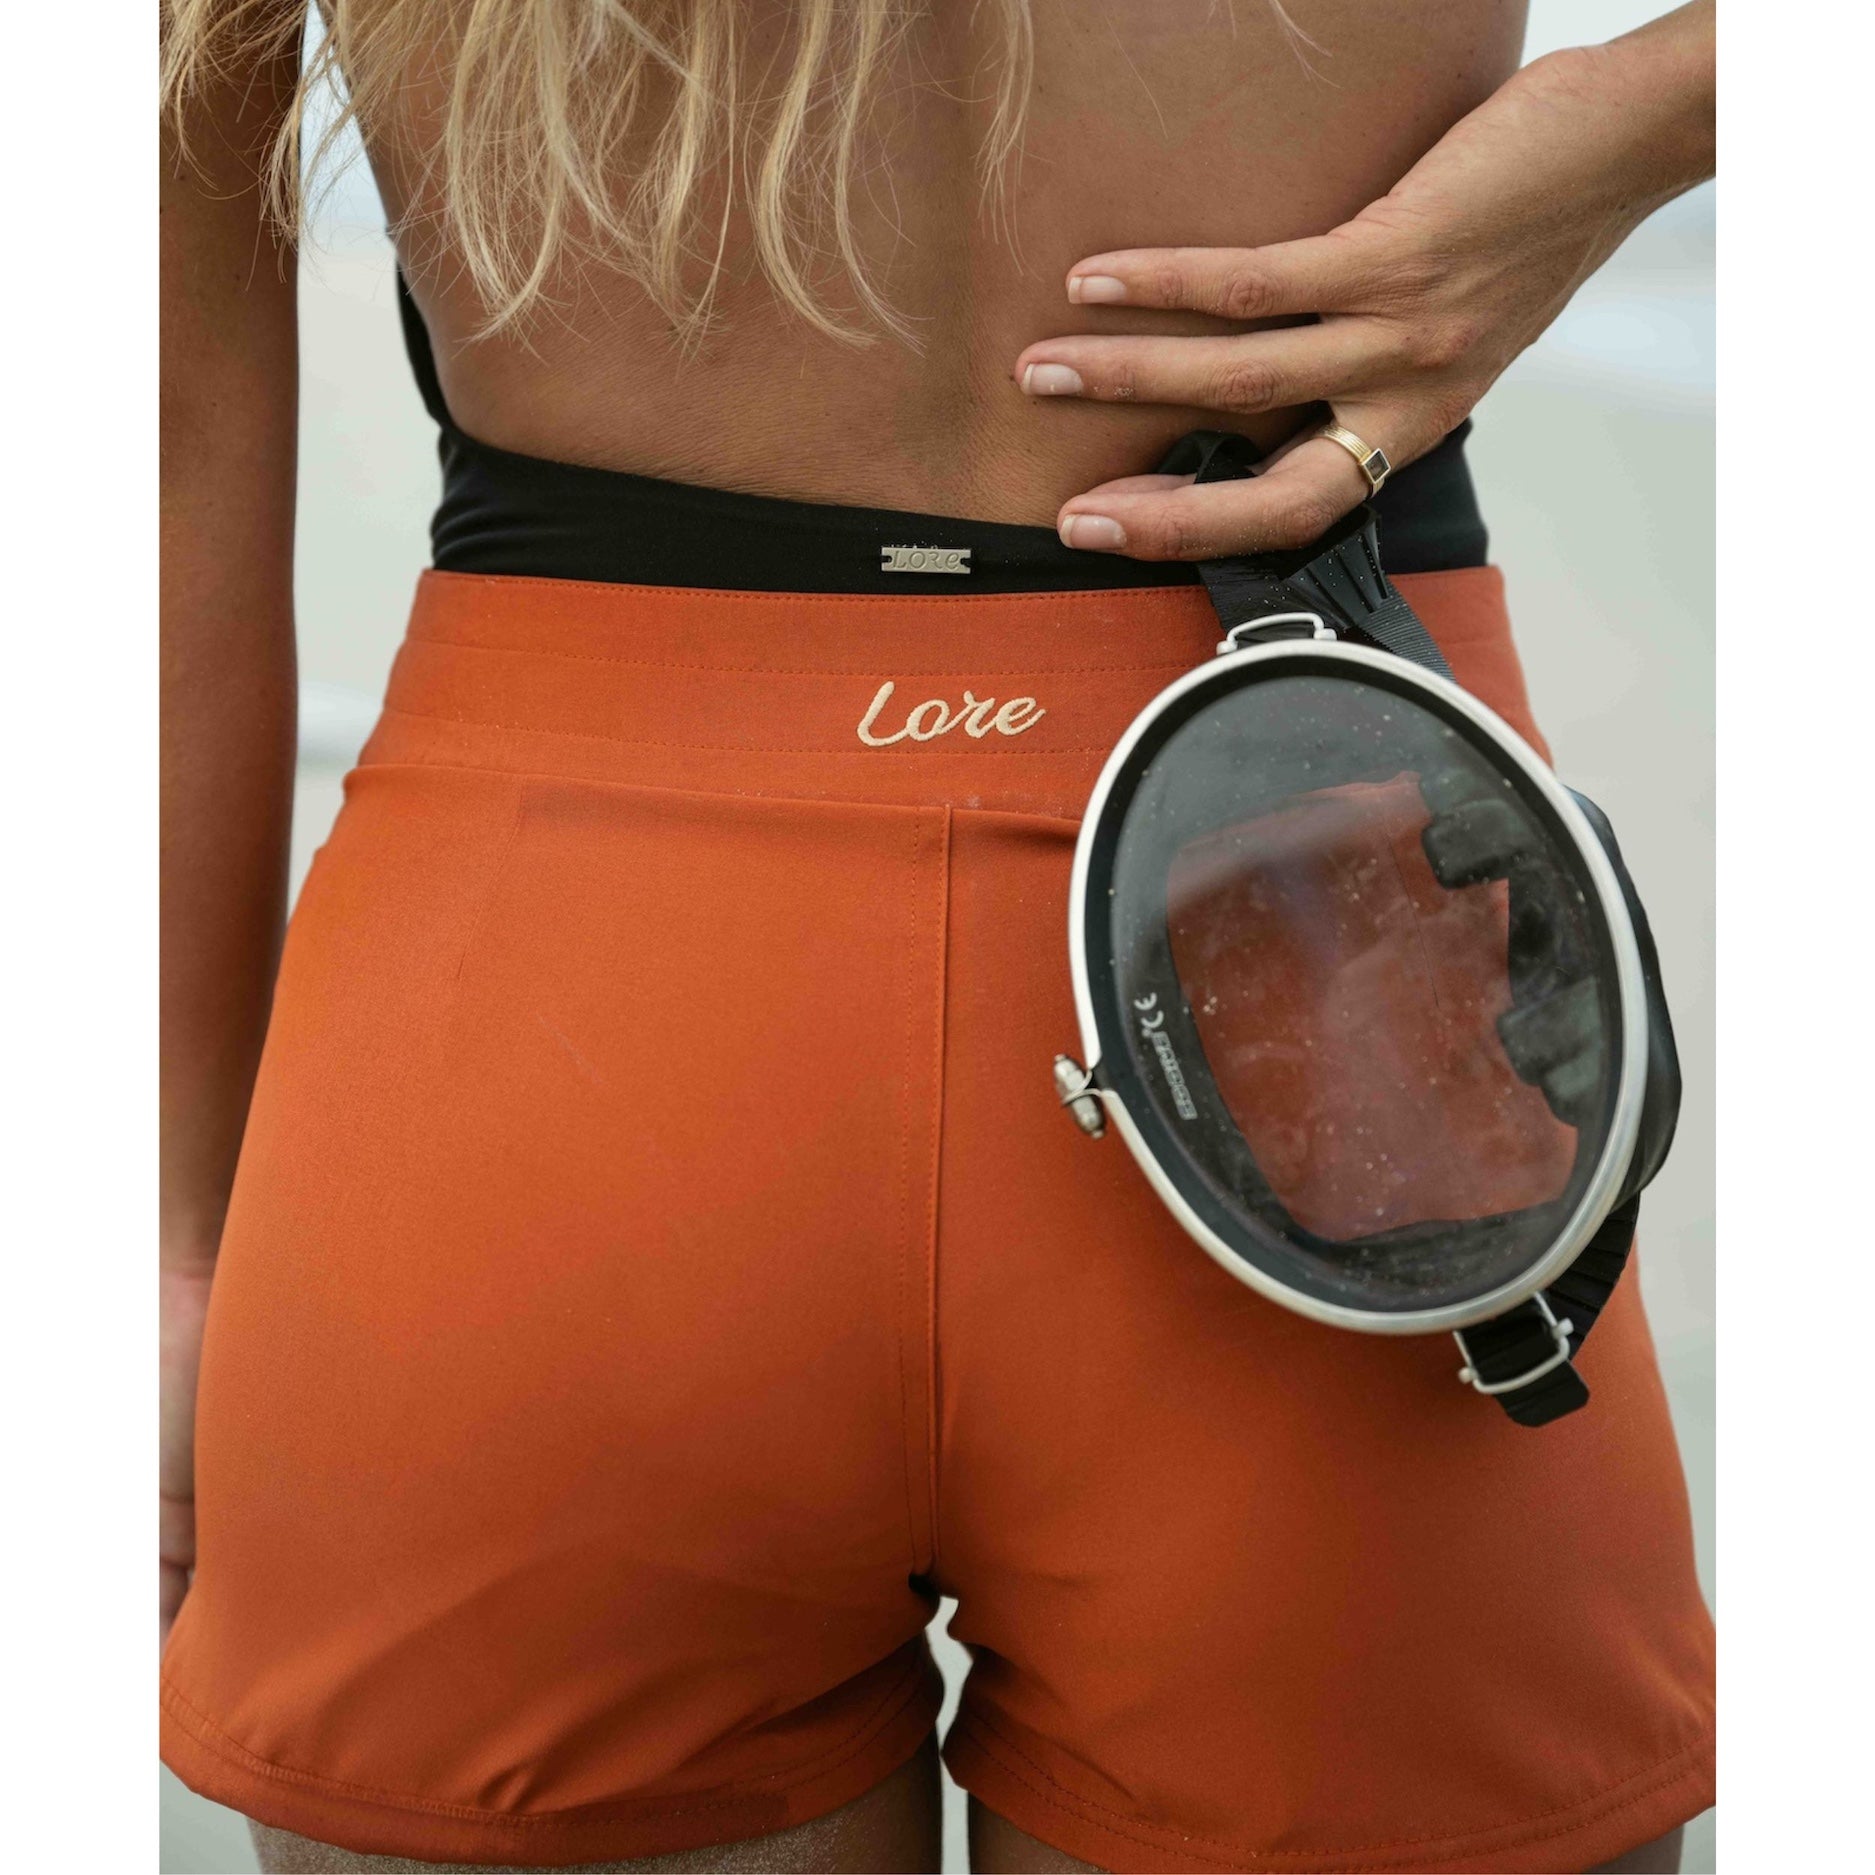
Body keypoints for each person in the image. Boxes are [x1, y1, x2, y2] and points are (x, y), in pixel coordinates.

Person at [160, 3, 1717, 1870]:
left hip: (543, 1033)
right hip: (1336, 966)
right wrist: (1645, 124)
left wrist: (167, 1244)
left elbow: (149, 450)